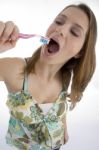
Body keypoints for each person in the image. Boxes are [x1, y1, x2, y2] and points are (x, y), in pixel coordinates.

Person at [0, 2, 97, 150]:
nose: (61, 29)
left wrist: (64, 125)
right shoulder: (15, 69)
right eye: (59, 21)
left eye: (75, 32)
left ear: (80, 52)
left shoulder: (65, 77)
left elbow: (61, 104)